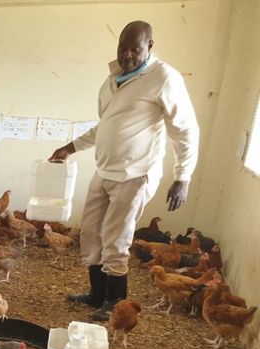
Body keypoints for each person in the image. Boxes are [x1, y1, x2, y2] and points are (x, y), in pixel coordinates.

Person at [49, 21, 199, 321]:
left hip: (135, 173)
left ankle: (115, 303)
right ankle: (96, 295)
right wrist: (71, 147)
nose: (128, 54)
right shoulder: (113, 78)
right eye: (123, 47)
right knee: (91, 232)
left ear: (150, 47)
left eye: (135, 48)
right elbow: (105, 125)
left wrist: (183, 176)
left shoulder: (163, 78)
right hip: (105, 170)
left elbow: (185, 131)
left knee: (116, 238)